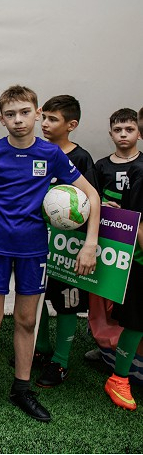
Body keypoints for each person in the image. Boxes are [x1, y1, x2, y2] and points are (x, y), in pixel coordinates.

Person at [0, 85, 100, 423]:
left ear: (36, 113)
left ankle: (21, 389)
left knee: (27, 320)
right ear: (1, 119)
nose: (18, 120)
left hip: (33, 249)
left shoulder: (51, 154)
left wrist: (90, 244)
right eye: (10, 114)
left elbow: (92, 196)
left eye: (25, 112)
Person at [34, 95, 96, 387]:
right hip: (38, 241)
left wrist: (89, 245)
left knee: (66, 303)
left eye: (53, 119)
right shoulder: (38, 151)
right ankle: (41, 348)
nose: (45, 124)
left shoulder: (80, 158)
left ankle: (60, 361)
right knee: (36, 296)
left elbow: (92, 200)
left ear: (71, 125)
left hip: (67, 246)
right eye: (44, 117)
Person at [101, 107, 143, 410]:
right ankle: (119, 376)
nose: (124, 135)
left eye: (130, 129)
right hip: (134, 257)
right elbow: (138, 222)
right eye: (119, 129)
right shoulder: (140, 171)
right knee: (134, 319)